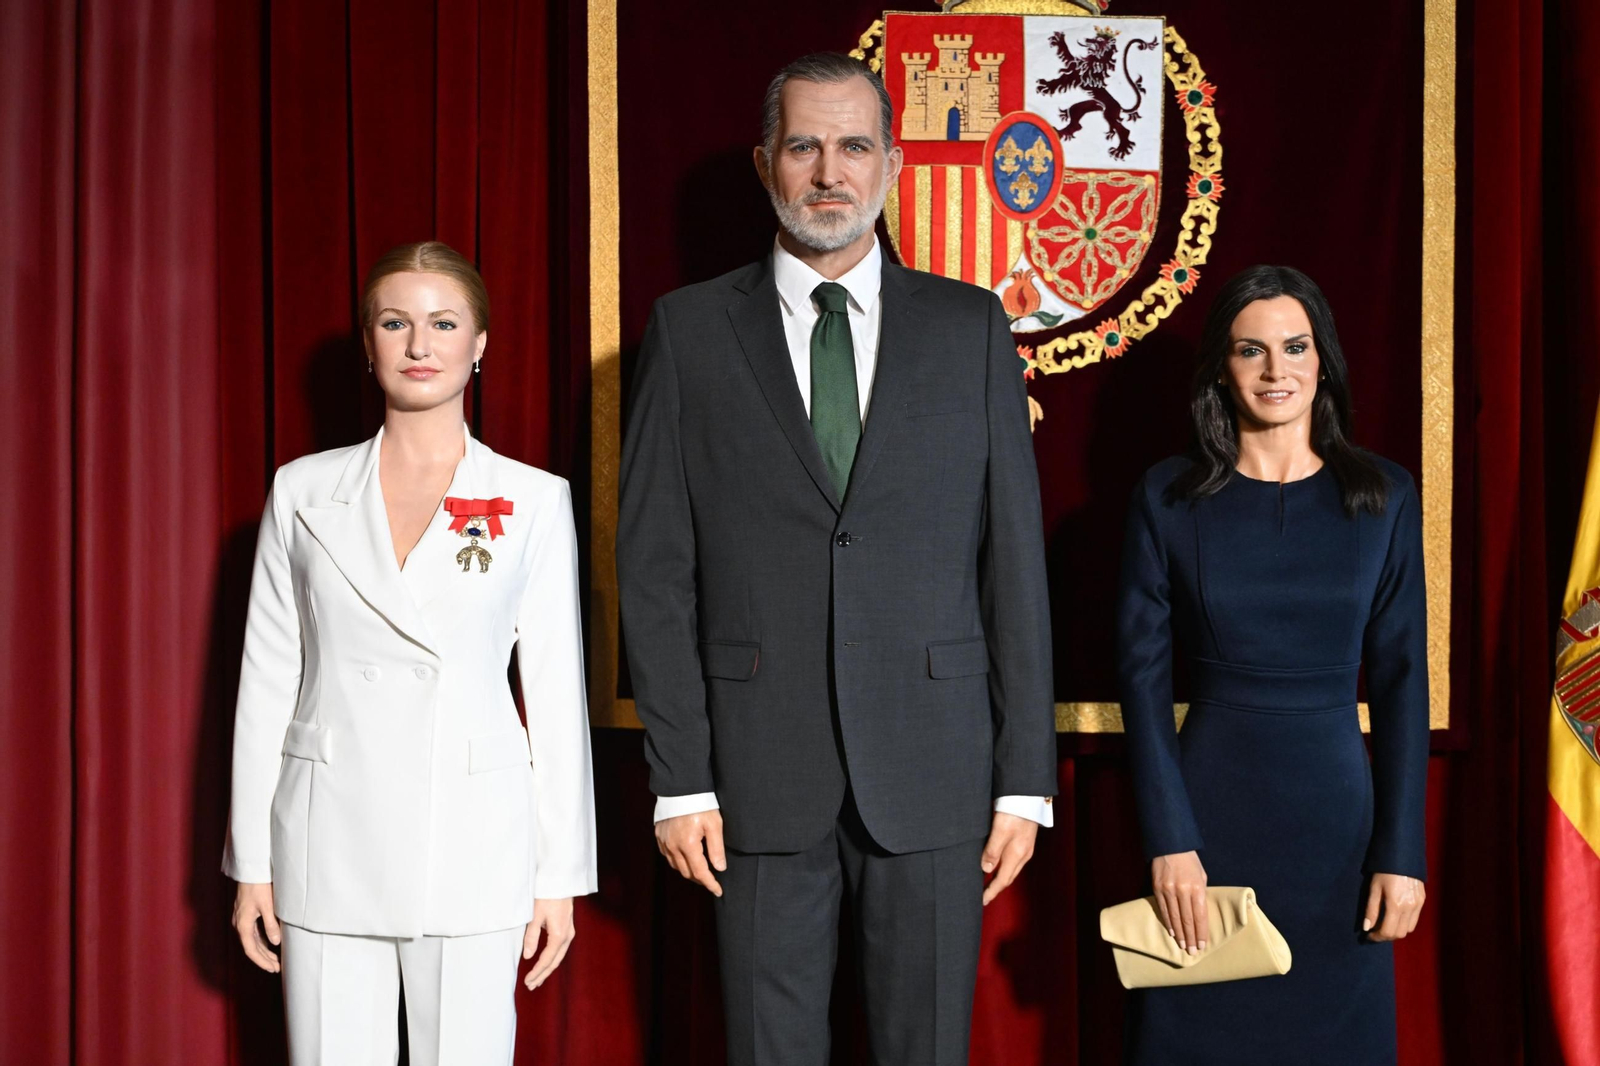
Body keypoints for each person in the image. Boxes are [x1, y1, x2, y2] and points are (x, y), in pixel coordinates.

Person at [617, 52, 1058, 1065]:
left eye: (855, 146)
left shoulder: (970, 328)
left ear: (894, 166)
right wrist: (681, 777)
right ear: (766, 162)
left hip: (939, 769)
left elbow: (1013, 564)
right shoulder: (686, 333)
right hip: (752, 777)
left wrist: (1023, 777)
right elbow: (652, 569)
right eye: (806, 146)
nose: (830, 172)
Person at [223, 241, 597, 1065]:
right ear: (368, 343)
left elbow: (555, 695)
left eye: (443, 323)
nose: (420, 345)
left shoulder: (534, 501)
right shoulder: (302, 490)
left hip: (474, 841)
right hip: (326, 838)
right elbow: (267, 679)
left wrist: (558, 875)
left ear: (481, 343)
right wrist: (253, 857)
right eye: (396, 322)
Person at [1116, 264, 1429, 1064]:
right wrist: (1169, 837)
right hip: (1207, 820)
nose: (1275, 369)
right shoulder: (1167, 496)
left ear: (1322, 358)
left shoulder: (1385, 497)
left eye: (1294, 347)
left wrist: (1400, 852)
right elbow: (1142, 683)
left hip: (1339, 828)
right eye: (1250, 351)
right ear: (1222, 366)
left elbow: (1400, 684)